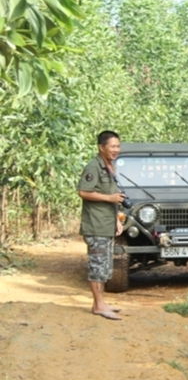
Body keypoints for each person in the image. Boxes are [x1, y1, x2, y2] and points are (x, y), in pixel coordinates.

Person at [77, 131, 127, 321]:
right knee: (97, 266)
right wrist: (109, 198)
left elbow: (112, 195)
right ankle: (98, 306)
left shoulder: (109, 167)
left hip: (107, 224)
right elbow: (83, 191)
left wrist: (115, 220)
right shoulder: (93, 167)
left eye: (118, 146)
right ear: (101, 147)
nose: (116, 150)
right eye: (112, 146)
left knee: (105, 266)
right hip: (96, 225)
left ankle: (101, 303)